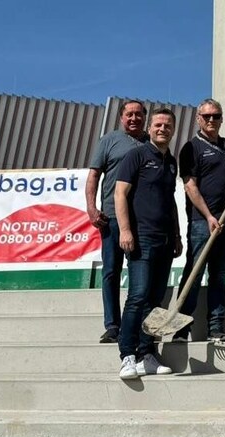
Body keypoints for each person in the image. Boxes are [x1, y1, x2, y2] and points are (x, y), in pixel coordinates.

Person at [114, 108, 183, 380]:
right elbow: (120, 193)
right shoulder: (137, 155)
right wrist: (125, 230)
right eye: (157, 124)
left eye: (167, 125)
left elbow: (170, 201)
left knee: (156, 301)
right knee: (138, 296)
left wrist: (177, 235)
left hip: (165, 240)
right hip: (141, 238)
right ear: (150, 128)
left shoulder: (172, 161)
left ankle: (147, 354)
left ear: (173, 129)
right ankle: (127, 355)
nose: (162, 128)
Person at [173, 99, 225, 343]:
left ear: (222, 118)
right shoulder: (191, 148)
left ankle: (216, 327)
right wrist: (209, 215)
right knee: (194, 271)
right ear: (198, 119)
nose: (211, 120)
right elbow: (190, 186)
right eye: (206, 116)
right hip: (203, 221)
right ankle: (181, 328)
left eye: (216, 115)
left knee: (219, 274)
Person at [86, 100, 148, 344]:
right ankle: (112, 325)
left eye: (138, 114)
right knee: (111, 271)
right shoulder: (109, 141)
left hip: (141, 220)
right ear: (122, 117)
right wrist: (91, 208)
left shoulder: (151, 143)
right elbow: (93, 175)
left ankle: (135, 324)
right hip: (111, 217)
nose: (134, 118)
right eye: (129, 114)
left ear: (145, 117)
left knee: (139, 274)